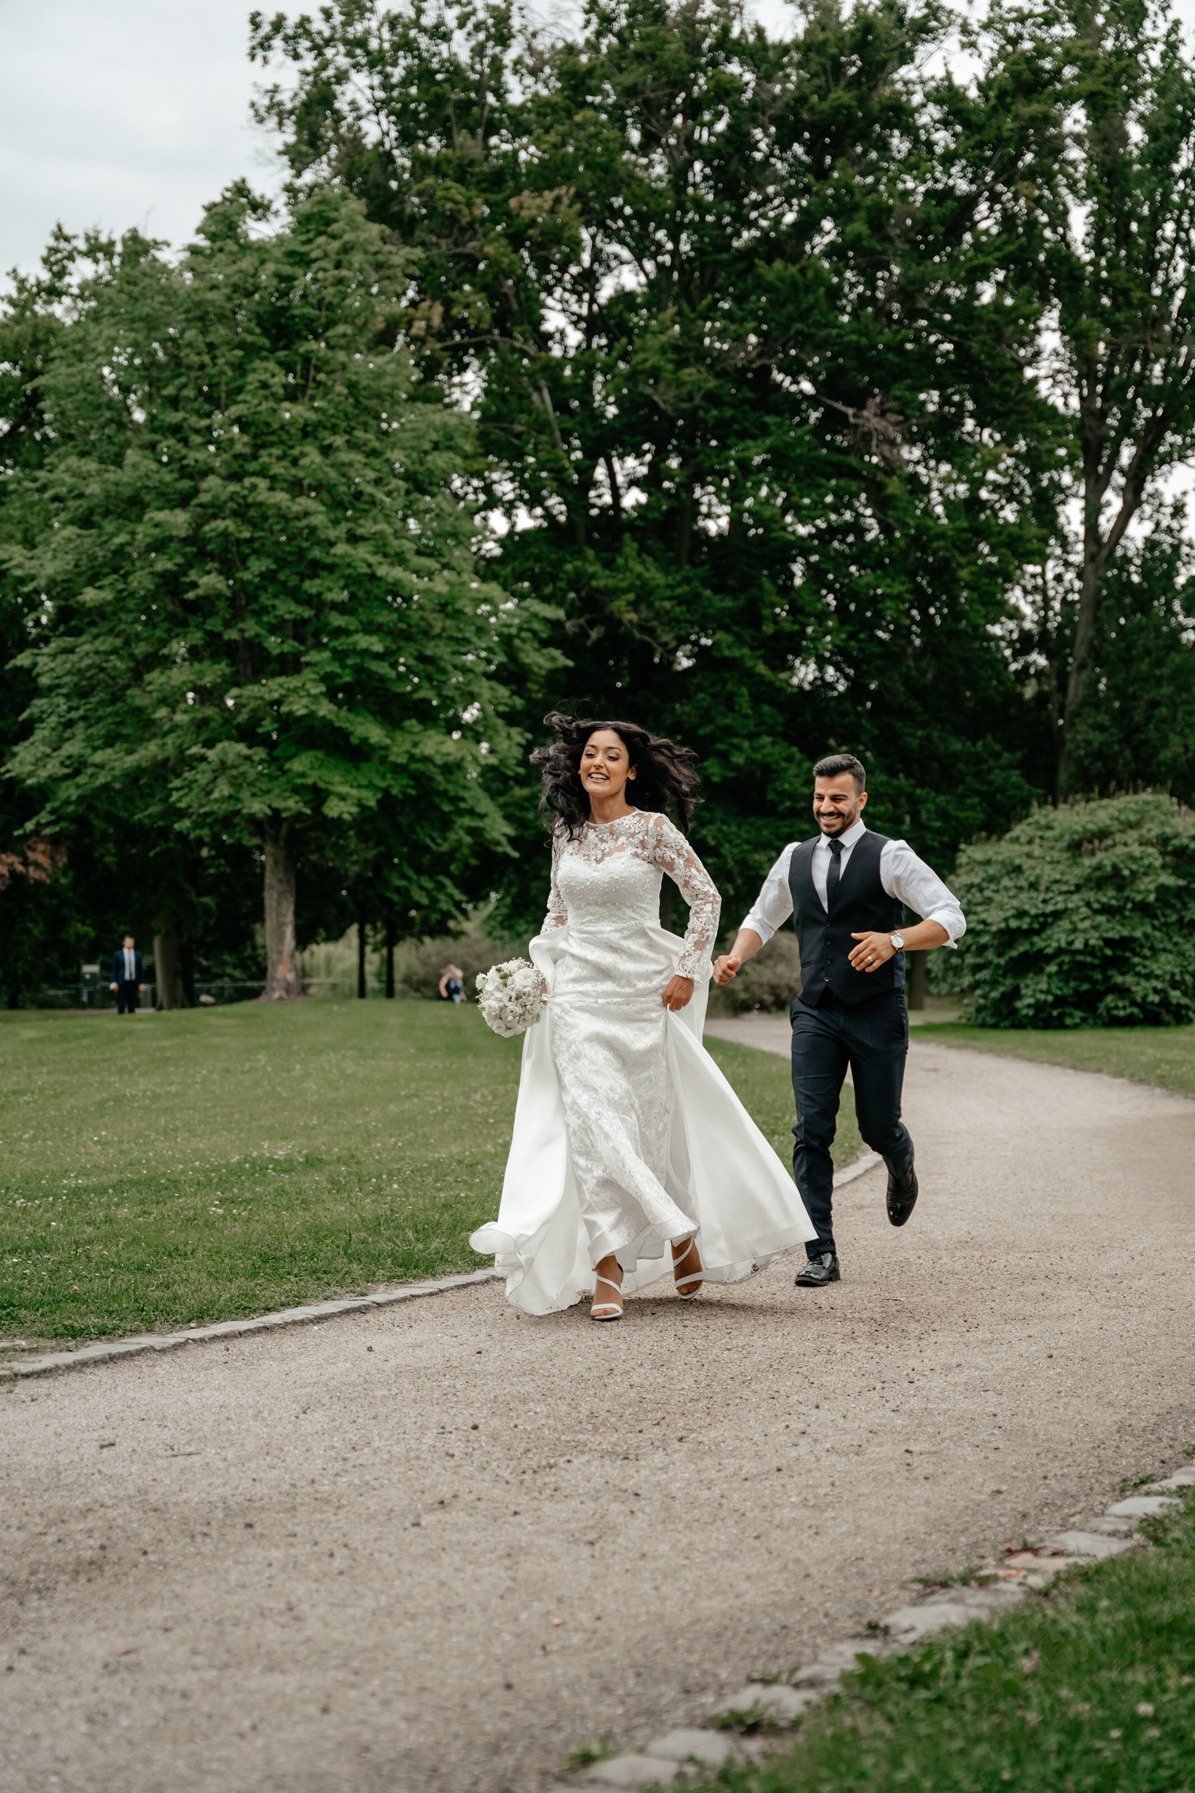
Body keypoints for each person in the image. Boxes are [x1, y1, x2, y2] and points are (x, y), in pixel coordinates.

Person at [470, 714, 816, 1321]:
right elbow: (557, 912)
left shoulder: (654, 830)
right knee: (593, 1124)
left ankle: (680, 1234)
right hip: (575, 997)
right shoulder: (565, 833)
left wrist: (687, 968)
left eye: (610, 756)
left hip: (642, 997)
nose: (596, 764)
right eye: (588, 755)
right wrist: (534, 979)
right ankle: (610, 1266)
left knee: (642, 1128)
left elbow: (704, 898)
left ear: (631, 770)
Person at [713, 753, 965, 1287]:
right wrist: (737, 955)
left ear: (860, 800)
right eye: (819, 798)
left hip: (877, 1012)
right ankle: (820, 1251)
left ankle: (900, 1159)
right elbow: (763, 916)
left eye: (837, 799)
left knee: (877, 1126)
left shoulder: (890, 856)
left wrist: (894, 939)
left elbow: (950, 916)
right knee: (811, 1131)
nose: (825, 808)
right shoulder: (795, 856)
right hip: (816, 1014)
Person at [110, 934, 145, 1015]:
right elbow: (114, 969)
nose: (131, 943)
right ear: (124, 943)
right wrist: (114, 981)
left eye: (132, 942)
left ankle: (131, 1018)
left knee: (132, 1003)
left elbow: (140, 970)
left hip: (133, 982)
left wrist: (141, 983)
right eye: (129, 942)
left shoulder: (137, 955)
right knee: (121, 1003)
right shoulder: (118, 954)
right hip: (122, 982)